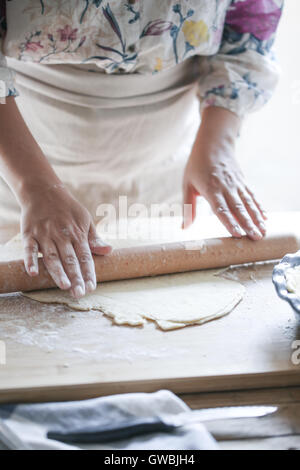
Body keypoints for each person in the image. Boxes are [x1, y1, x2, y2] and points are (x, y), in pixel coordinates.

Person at [0, 0, 283, 298]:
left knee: (162, 296)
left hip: (164, 170)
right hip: (20, 168)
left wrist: (217, 147)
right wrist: (33, 185)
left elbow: (251, 15)